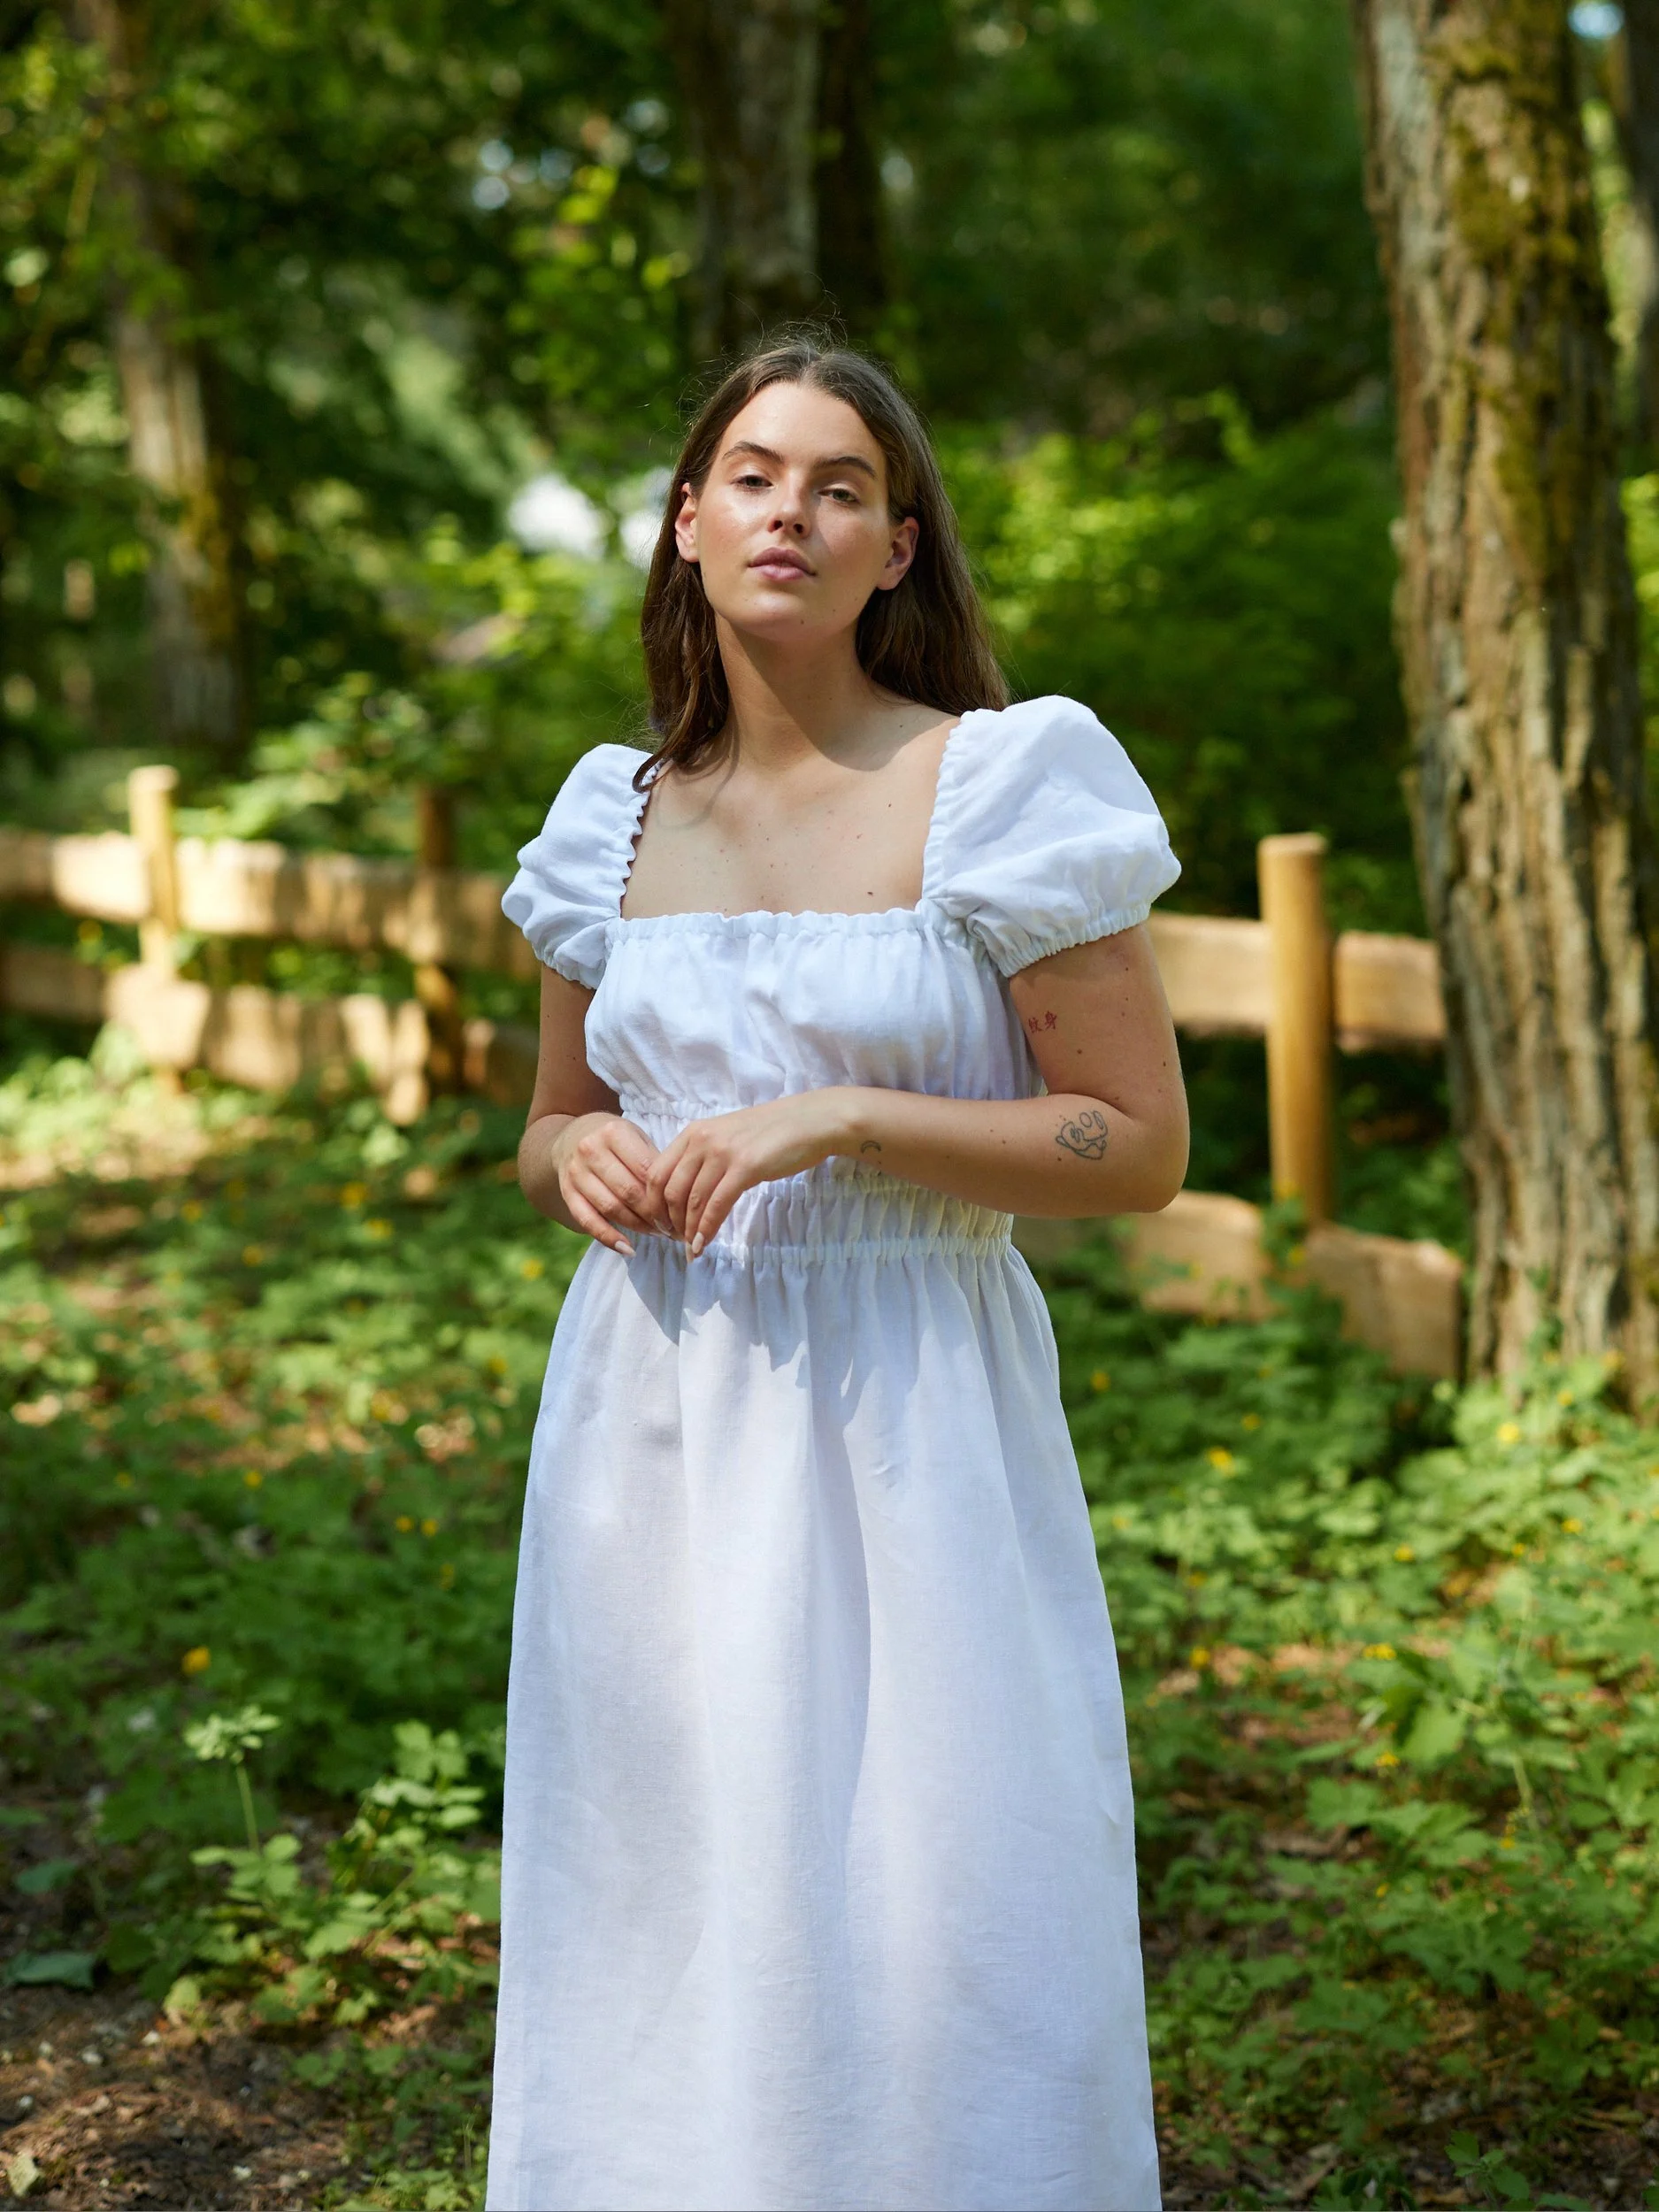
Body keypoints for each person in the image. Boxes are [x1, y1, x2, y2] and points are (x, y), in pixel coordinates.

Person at [487, 334, 1187, 2212]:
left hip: (913, 1413)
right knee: (670, 1877)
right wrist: (580, 1163)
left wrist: (848, 1115)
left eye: (841, 485)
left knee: (943, 1879)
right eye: (752, 474)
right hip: (653, 1413)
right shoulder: (611, 818)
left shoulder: (1002, 782)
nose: (789, 511)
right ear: (686, 523)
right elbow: (547, 1127)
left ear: (897, 548)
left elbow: (1135, 1144)